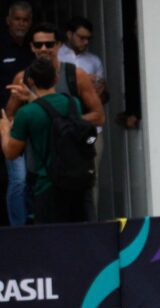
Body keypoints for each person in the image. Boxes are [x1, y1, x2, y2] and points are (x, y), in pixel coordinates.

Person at [5, 22, 104, 224]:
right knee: (27, 187)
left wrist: (68, 126)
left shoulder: (75, 75)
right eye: (38, 45)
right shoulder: (23, 79)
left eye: (49, 44)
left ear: (59, 45)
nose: (44, 49)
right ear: (31, 47)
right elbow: (11, 114)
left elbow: (98, 117)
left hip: (76, 153)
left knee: (85, 191)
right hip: (42, 157)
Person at [0, 58, 87, 224]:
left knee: (49, 241)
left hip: (47, 185)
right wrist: (32, 97)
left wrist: (4, 129)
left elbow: (11, 153)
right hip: (76, 182)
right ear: (55, 78)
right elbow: (51, 113)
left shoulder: (26, 113)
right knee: (77, 238)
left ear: (30, 81)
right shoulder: (73, 103)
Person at [59, 16, 106, 221]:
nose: (85, 42)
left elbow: (105, 97)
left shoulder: (94, 60)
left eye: (88, 39)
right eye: (81, 37)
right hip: (64, 129)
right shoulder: (56, 56)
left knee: (91, 174)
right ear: (69, 34)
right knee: (64, 176)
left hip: (92, 131)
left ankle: (91, 222)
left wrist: (99, 90)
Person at [0, 1, 34, 226]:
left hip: (34, 119)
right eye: (17, 19)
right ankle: (17, 229)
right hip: (8, 122)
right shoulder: (2, 47)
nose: (21, 24)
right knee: (17, 179)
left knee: (33, 177)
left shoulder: (35, 48)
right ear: (8, 21)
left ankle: (31, 224)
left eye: (25, 20)